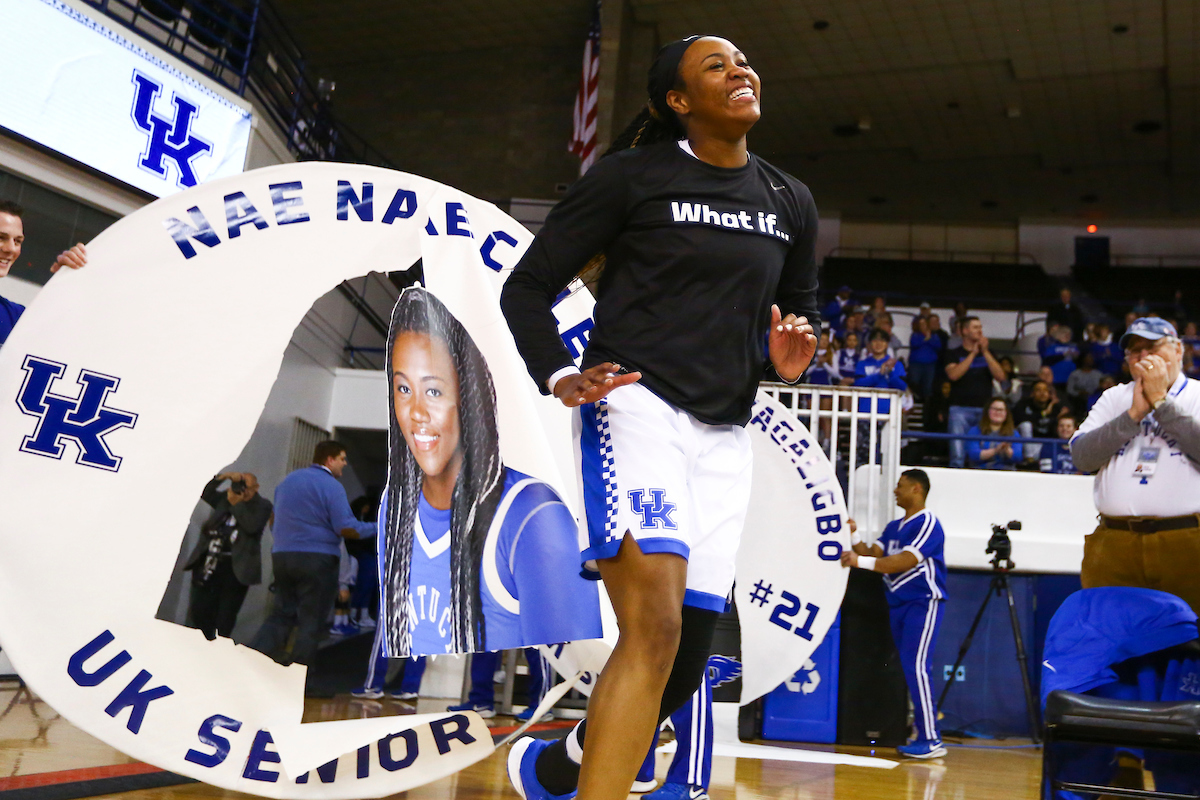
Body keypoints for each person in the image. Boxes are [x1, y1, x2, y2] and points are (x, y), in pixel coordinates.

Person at [498, 34, 818, 800]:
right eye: (718, 65)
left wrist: (789, 356)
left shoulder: (789, 201)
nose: (742, 69)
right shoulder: (632, 179)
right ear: (678, 101)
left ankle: (567, 761)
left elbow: (799, 317)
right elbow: (527, 286)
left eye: (745, 60)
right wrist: (561, 374)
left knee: (683, 655)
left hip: (727, 432)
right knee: (656, 629)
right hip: (637, 406)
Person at [378, 287, 601, 657]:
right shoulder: (395, 506)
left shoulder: (532, 514)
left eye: (433, 392)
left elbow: (582, 671)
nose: (416, 411)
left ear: (469, 397)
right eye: (403, 388)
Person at [1070, 317, 1200, 614]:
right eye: (1134, 351)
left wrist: (1160, 404)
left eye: (1152, 347)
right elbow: (1082, 457)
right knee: (1109, 641)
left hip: (1187, 543)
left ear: (1178, 350)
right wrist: (1132, 416)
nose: (1143, 357)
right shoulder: (1115, 397)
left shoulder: (1197, 395)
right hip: (1114, 542)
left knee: (1190, 644)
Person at [841, 470, 947, 758]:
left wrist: (858, 560)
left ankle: (931, 738)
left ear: (916, 489)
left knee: (918, 667)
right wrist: (854, 535)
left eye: (899, 486)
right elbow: (874, 555)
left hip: (923, 602)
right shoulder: (893, 527)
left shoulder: (928, 523)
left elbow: (903, 562)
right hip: (899, 604)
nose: (895, 491)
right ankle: (924, 733)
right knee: (913, 668)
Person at [248, 441, 376, 667]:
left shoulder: (288, 481)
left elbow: (273, 520)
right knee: (311, 621)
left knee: (281, 615)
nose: (344, 465)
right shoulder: (331, 486)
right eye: (342, 459)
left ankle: (253, 664)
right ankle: (299, 677)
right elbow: (346, 528)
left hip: (282, 556)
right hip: (317, 559)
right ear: (329, 460)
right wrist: (381, 526)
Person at [184, 471, 272, 641]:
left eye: (247, 487)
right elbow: (205, 493)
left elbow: (252, 526)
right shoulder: (225, 497)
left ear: (256, 488)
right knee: (200, 610)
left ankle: (218, 649)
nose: (243, 490)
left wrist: (236, 504)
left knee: (225, 616)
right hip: (211, 562)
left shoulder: (263, 505)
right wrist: (222, 478)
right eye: (241, 485)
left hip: (236, 569)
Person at [0, 200, 88, 347]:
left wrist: (65, 279)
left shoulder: (13, 316)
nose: (11, 249)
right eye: (1, 238)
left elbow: (59, 338)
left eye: (17, 241)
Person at [944, 317, 1006, 468]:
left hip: (984, 409)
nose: (980, 331)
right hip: (960, 409)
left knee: (981, 453)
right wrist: (972, 354)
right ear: (965, 331)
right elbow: (953, 375)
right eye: (975, 327)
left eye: (980, 327)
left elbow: (1001, 376)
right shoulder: (953, 353)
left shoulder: (988, 353)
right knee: (957, 454)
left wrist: (984, 352)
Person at [965, 398, 1022, 469]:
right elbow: (973, 455)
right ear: (988, 411)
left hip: (1007, 472)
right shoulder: (975, 431)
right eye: (994, 409)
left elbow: (1018, 457)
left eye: (1001, 410)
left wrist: (1007, 450)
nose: (998, 412)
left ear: (1006, 413)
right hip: (981, 472)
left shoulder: (1013, 433)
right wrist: (995, 451)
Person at [907, 315, 942, 400]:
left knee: (928, 385)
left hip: (930, 365)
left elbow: (938, 346)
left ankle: (927, 404)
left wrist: (928, 339)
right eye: (921, 324)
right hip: (916, 364)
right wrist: (926, 339)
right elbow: (914, 344)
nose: (923, 326)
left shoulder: (934, 336)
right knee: (914, 383)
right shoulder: (915, 335)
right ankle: (913, 401)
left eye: (924, 324)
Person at [1042, 324, 1080, 391]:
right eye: (1065, 334)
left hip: (1071, 378)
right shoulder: (1052, 347)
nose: (1068, 336)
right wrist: (1062, 355)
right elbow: (1047, 360)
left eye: (1069, 334)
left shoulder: (1074, 346)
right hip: (1056, 378)